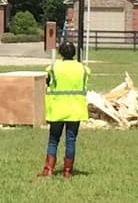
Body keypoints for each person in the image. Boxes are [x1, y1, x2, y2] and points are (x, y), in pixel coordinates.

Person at [38, 40, 90, 179]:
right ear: (74, 53)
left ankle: (48, 169)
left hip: (57, 109)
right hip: (75, 109)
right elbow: (84, 87)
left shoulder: (54, 68)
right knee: (71, 139)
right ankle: (67, 171)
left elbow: (49, 83)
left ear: (60, 53)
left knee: (53, 139)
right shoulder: (83, 69)